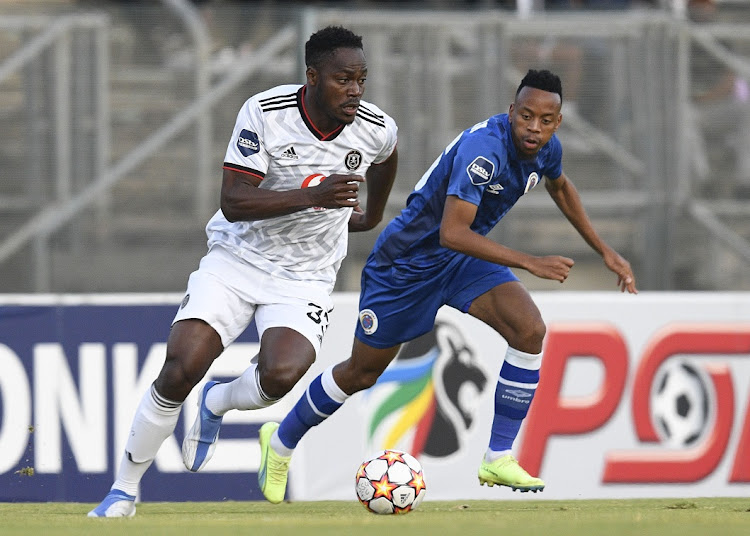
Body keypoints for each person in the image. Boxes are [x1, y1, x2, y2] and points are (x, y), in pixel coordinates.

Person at [256, 68, 638, 504]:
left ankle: (498, 455)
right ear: (511, 111)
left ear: (557, 122)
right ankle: (281, 441)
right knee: (362, 372)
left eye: (545, 120)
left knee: (529, 330)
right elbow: (451, 232)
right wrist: (529, 261)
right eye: (526, 116)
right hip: (405, 266)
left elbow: (562, 188)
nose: (533, 128)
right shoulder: (484, 152)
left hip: (459, 260)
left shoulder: (545, 149)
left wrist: (604, 250)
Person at [88, 25, 398, 517]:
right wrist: (313, 196)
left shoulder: (376, 125)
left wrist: (373, 215)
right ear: (313, 76)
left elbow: (385, 158)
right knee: (180, 367)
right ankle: (123, 490)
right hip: (237, 259)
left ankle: (218, 401)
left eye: (362, 78)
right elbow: (233, 202)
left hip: (306, 274)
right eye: (344, 79)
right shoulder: (265, 112)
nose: (356, 90)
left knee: (280, 375)